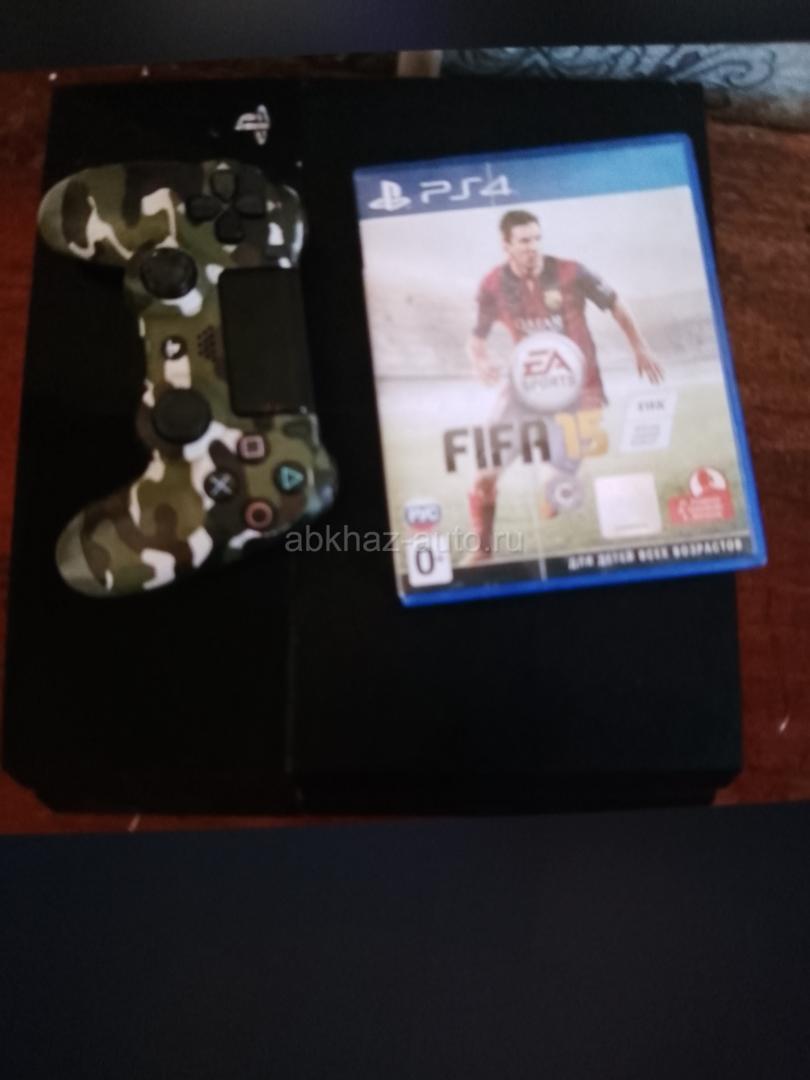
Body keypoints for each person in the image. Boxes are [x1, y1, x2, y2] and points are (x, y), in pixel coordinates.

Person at [465, 208, 663, 561]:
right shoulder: (493, 284)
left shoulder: (572, 272)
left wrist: (640, 346)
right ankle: (482, 552)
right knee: (483, 477)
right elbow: (476, 337)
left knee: (555, 489)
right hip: (524, 390)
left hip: (581, 390)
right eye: (524, 241)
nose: (533, 247)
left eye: (536, 238)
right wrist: (480, 362)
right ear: (506, 245)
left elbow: (615, 303)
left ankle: (553, 493)